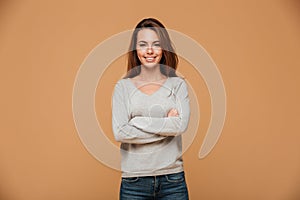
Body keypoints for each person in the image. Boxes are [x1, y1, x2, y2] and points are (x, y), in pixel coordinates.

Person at [112, 18, 191, 200]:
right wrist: (167, 125)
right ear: (135, 49)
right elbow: (121, 132)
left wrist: (138, 122)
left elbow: (180, 126)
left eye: (156, 44)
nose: (149, 50)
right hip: (134, 182)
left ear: (164, 48)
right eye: (143, 44)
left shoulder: (177, 85)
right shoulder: (123, 87)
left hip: (173, 181)